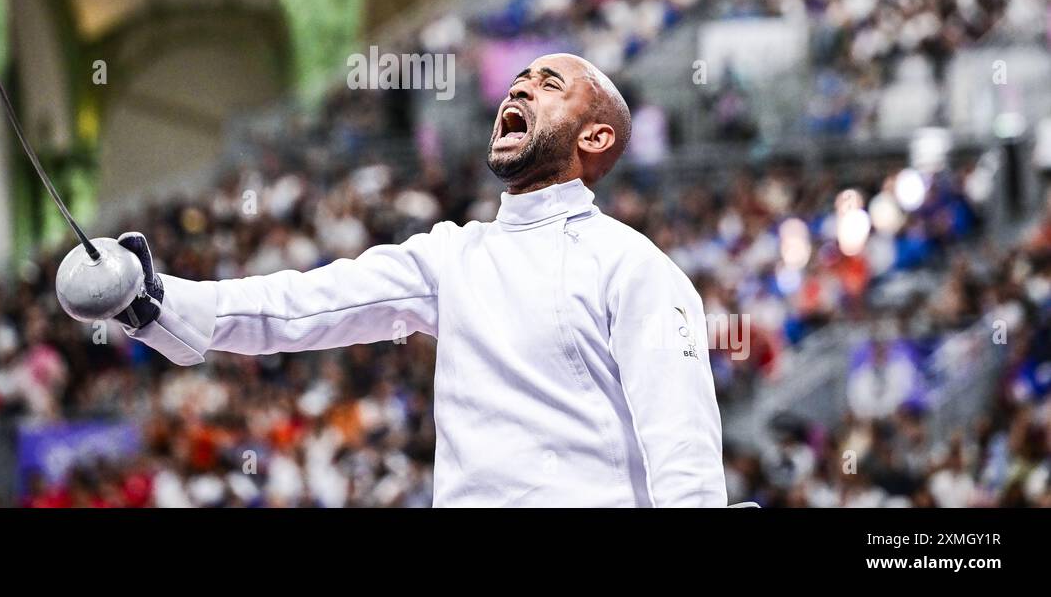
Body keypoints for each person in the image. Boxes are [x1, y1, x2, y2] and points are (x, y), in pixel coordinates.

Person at [60, 53, 727, 506]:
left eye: (550, 84)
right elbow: (303, 305)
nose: (520, 89)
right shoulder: (453, 257)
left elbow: (682, 441)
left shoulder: (633, 265)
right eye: (519, 79)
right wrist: (157, 298)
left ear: (596, 138)